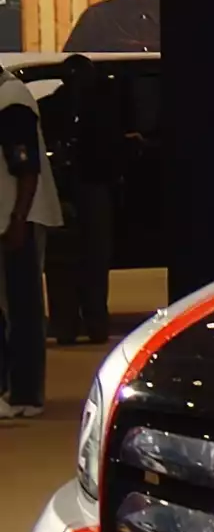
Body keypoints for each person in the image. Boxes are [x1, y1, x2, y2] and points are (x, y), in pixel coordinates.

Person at [0, 64, 65, 418]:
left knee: (21, 308)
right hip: (11, 216)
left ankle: (25, 393)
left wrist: (18, 220)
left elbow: (26, 167)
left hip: (17, 218)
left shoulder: (11, 99)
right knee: (12, 308)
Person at [42, 55, 115, 344]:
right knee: (91, 263)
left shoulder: (53, 107)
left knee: (65, 265)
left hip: (71, 192)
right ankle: (92, 325)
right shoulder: (102, 108)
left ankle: (68, 327)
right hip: (90, 192)